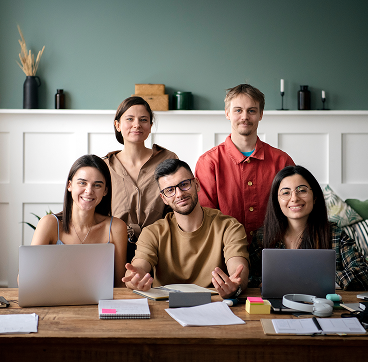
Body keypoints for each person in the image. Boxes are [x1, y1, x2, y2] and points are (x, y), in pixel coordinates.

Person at [122, 159, 250, 299]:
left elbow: (238, 269)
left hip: (213, 304)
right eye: (170, 190)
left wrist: (234, 284)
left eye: (184, 184)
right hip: (165, 308)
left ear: (196, 184)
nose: (179, 194)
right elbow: (138, 266)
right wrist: (135, 278)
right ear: (163, 198)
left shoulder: (229, 226)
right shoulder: (153, 232)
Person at [195, 84, 294, 240]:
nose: (245, 117)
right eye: (238, 110)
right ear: (227, 113)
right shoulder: (208, 162)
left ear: (261, 114)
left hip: (273, 246)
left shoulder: (282, 160)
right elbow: (205, 216)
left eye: (252, 111)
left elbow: (292, 209)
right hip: (226, 250)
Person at [248, 165, 368, 291]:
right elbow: (249, 278)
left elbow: (363, 274)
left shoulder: (335, 235)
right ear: (277, 201)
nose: (294, 198)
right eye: (286, 193)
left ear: (315, 197)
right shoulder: (262, 236)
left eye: (302, 190)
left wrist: (316, 278)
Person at [30, 154, 127, 287]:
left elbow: (120, 285)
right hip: (56, 302)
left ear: (105, 191)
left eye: (97, 185)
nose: (89, 191)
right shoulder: (49, 224)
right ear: (69, 185)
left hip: (100, 303)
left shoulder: (116, 227)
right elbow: (25, 280)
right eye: (82, 183)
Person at [104, 96, 177, 262]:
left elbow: (176, 205)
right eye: (129, 119)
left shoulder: (168, 159)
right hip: (114, 248)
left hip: (159, 248)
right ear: (117, 125)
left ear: (150, 126)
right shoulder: (105, 166)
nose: (137, 125)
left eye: (143, 120)